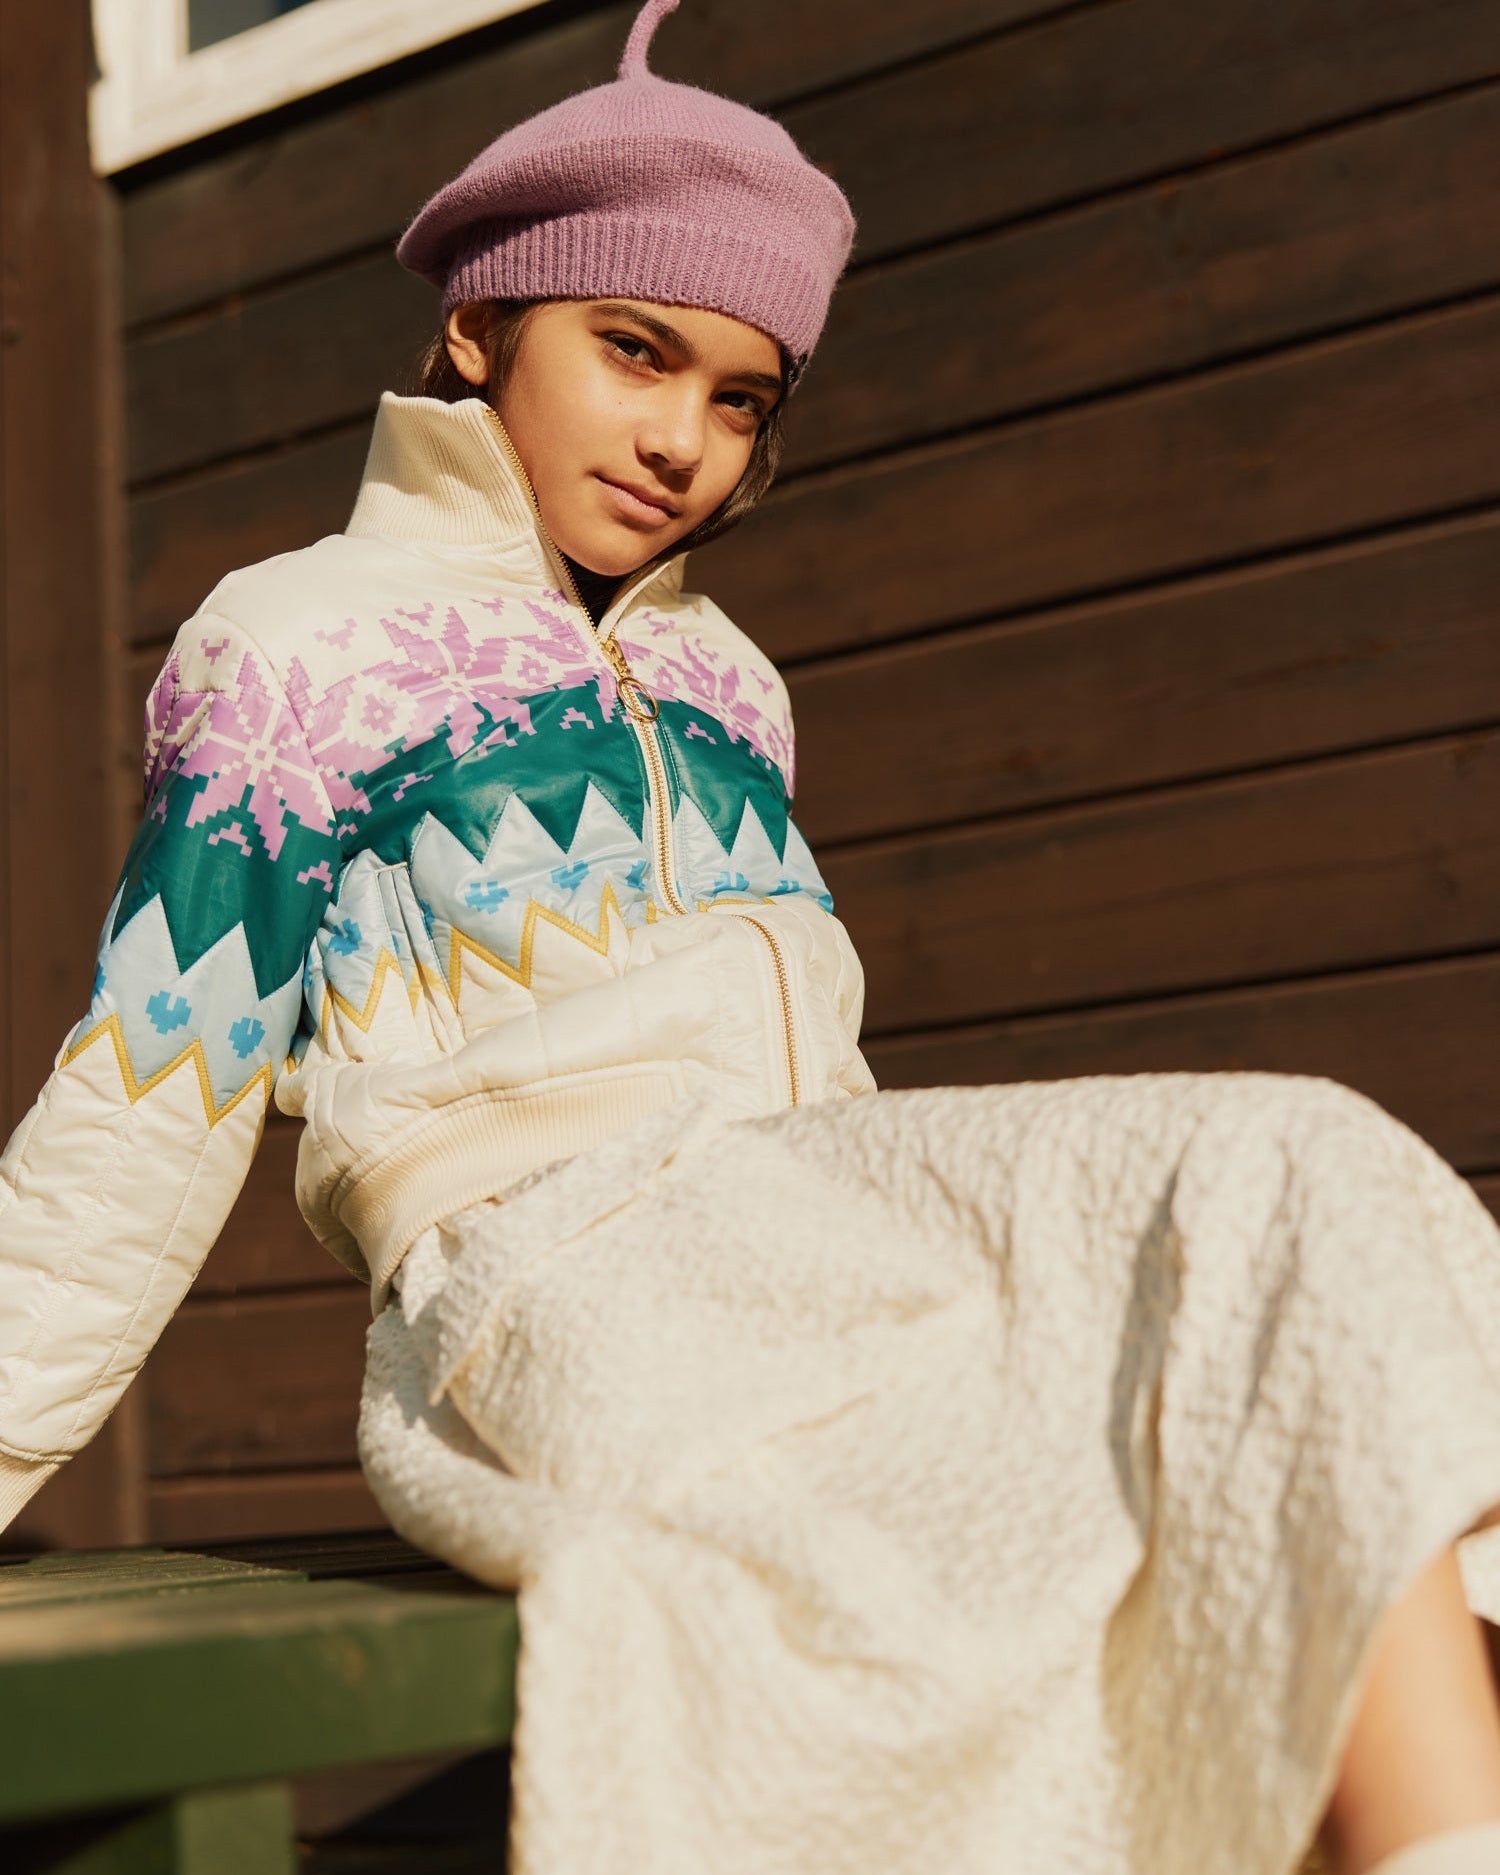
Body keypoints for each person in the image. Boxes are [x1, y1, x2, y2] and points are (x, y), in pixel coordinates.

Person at [2, 1, 1500, 1869]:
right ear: (478, 324)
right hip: (552, 1278)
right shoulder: (299, 644)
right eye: (636, 351)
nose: (684, 443)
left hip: (809, 1222)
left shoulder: (732, 682)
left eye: (740, 400)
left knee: (1295, 1204)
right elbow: (152, 1091)